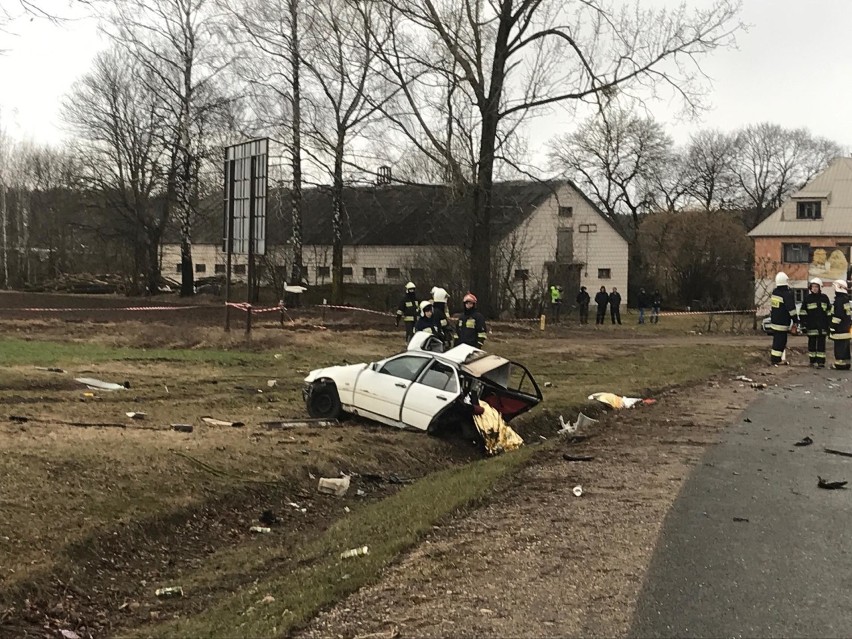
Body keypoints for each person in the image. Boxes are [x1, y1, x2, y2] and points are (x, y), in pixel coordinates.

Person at [799, 277, 831, 368]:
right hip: (811, 326)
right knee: (812, 344)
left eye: (816, 287)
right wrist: (803, 324)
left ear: (820, 287)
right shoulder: (807, 299)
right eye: (813, 287)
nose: (814, 288)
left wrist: (830, 323)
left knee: (821, 345)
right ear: (810, 288)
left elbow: (829, 312)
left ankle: (821, 362)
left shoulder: (824, 298)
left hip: (822, 326)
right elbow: (803, 312)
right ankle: (812, 361)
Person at [768, 271, 798, 365]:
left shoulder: (775, 292)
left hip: (774, 321)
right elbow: (791, 309)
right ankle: (776, 360)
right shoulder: (787, 294)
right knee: (781, 341)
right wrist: (795, 320)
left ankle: (775, 358)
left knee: (776, 340)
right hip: (782, 321)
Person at [829, 279, 852, 370]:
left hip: (840, 329)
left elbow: (837, 316)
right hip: (846, 328)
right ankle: (846, 363)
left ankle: (839, 364)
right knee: (845, 346)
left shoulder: (839, 300)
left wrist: (832, 327)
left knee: (839, 347)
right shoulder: (846, 299)